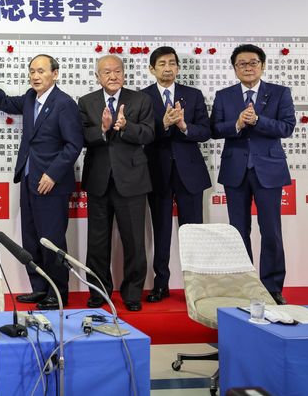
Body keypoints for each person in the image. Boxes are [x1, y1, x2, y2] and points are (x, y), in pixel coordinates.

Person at [0, 53, 82, 310]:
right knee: (31, 238)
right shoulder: (31, 98)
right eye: (32, 71)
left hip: (51, 184)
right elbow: (6, 102)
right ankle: (40, 289)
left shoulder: (64, 103)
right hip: (30, 179)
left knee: (52, 240)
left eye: (41, 71)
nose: (35, 76)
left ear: (55, 74)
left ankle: (57, 293)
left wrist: (53, 174)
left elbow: (74, 144)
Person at [211, 44, 295, 305]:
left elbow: (287, 127)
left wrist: (258, 120)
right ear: (234, 68)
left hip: (268, 170)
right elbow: (214, 128)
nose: (248, 67)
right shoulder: (224, 95)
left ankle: (271, 287)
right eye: (241, 64)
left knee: (271, 230)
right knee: (238, 231)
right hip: (235, 170)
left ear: (263, 65)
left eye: (253, 62)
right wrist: (237, 124)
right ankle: (243, 285)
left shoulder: (280, 93)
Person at [78, 55, 154, 311]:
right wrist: (102, 128)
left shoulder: (140, 99)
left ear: (124, 74)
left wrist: (125, 127)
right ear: (97, 76)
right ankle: (98, 292)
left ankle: (132, 293)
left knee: (134, 241)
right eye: (106, 72)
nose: (113, 76)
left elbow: (149, 133)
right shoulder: (86, 102)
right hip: (99, 180)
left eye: (117, 71)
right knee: (97, 242)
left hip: (131, 181)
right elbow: (82, 136)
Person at [143, 47, 211, 303]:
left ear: (178, 68)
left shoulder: (192, 95)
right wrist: (164, 125)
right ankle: (161, 284)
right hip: (157, 172)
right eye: (162, 63)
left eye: (172, 63)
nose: (168, 68)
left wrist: (183, 126)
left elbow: (206, 131)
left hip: (189, 172)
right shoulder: (143, 97)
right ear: (152, 69)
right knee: (160, 231)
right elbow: (143, 135)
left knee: (193, 231)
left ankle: (196, 286)